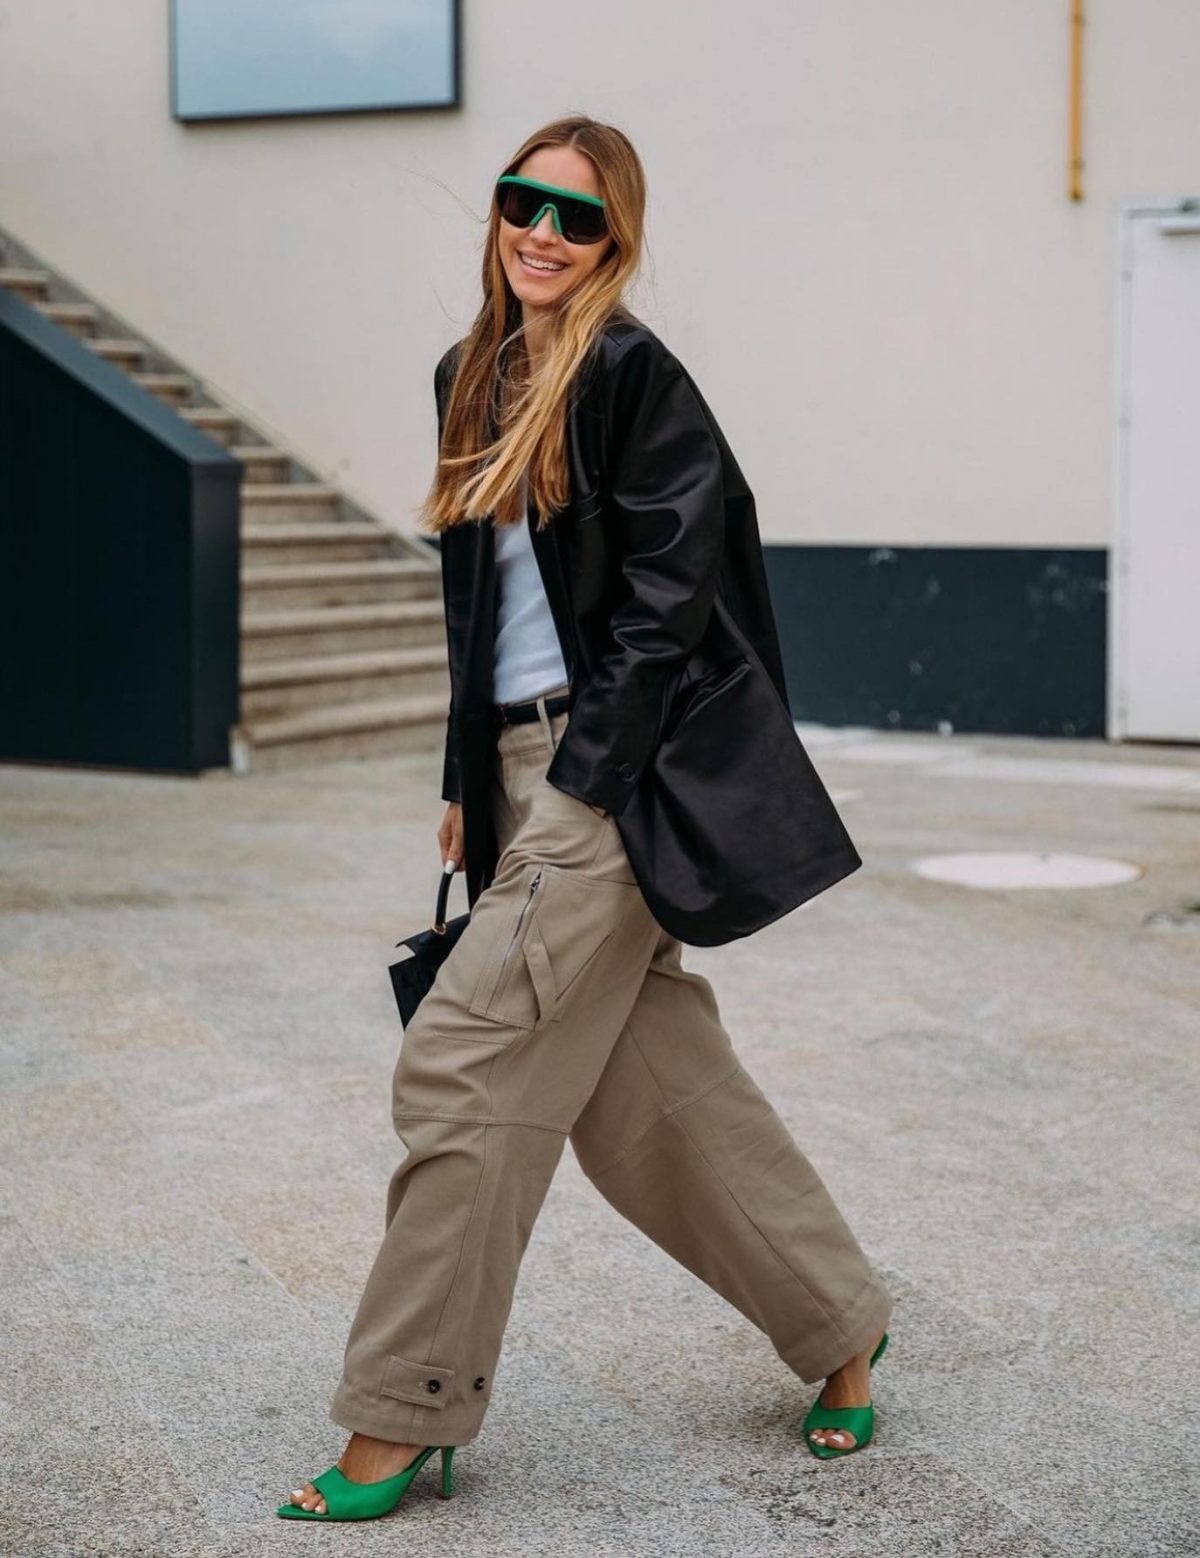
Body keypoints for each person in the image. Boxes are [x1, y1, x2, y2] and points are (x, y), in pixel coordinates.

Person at [279, 114, 894, 1523]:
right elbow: (479, 608)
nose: (544, 235)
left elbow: (673, 599)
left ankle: (404, 1412)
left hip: (602, 774)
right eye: (524, 204)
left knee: (462, 1066)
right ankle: (843, 1323)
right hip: (516, 769)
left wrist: (576, 787)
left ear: (616, 242)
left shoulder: (627, 373)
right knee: (649, 1098)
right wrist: (462, 779)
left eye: (580, 220)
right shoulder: (469, 372)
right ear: (494, 211)